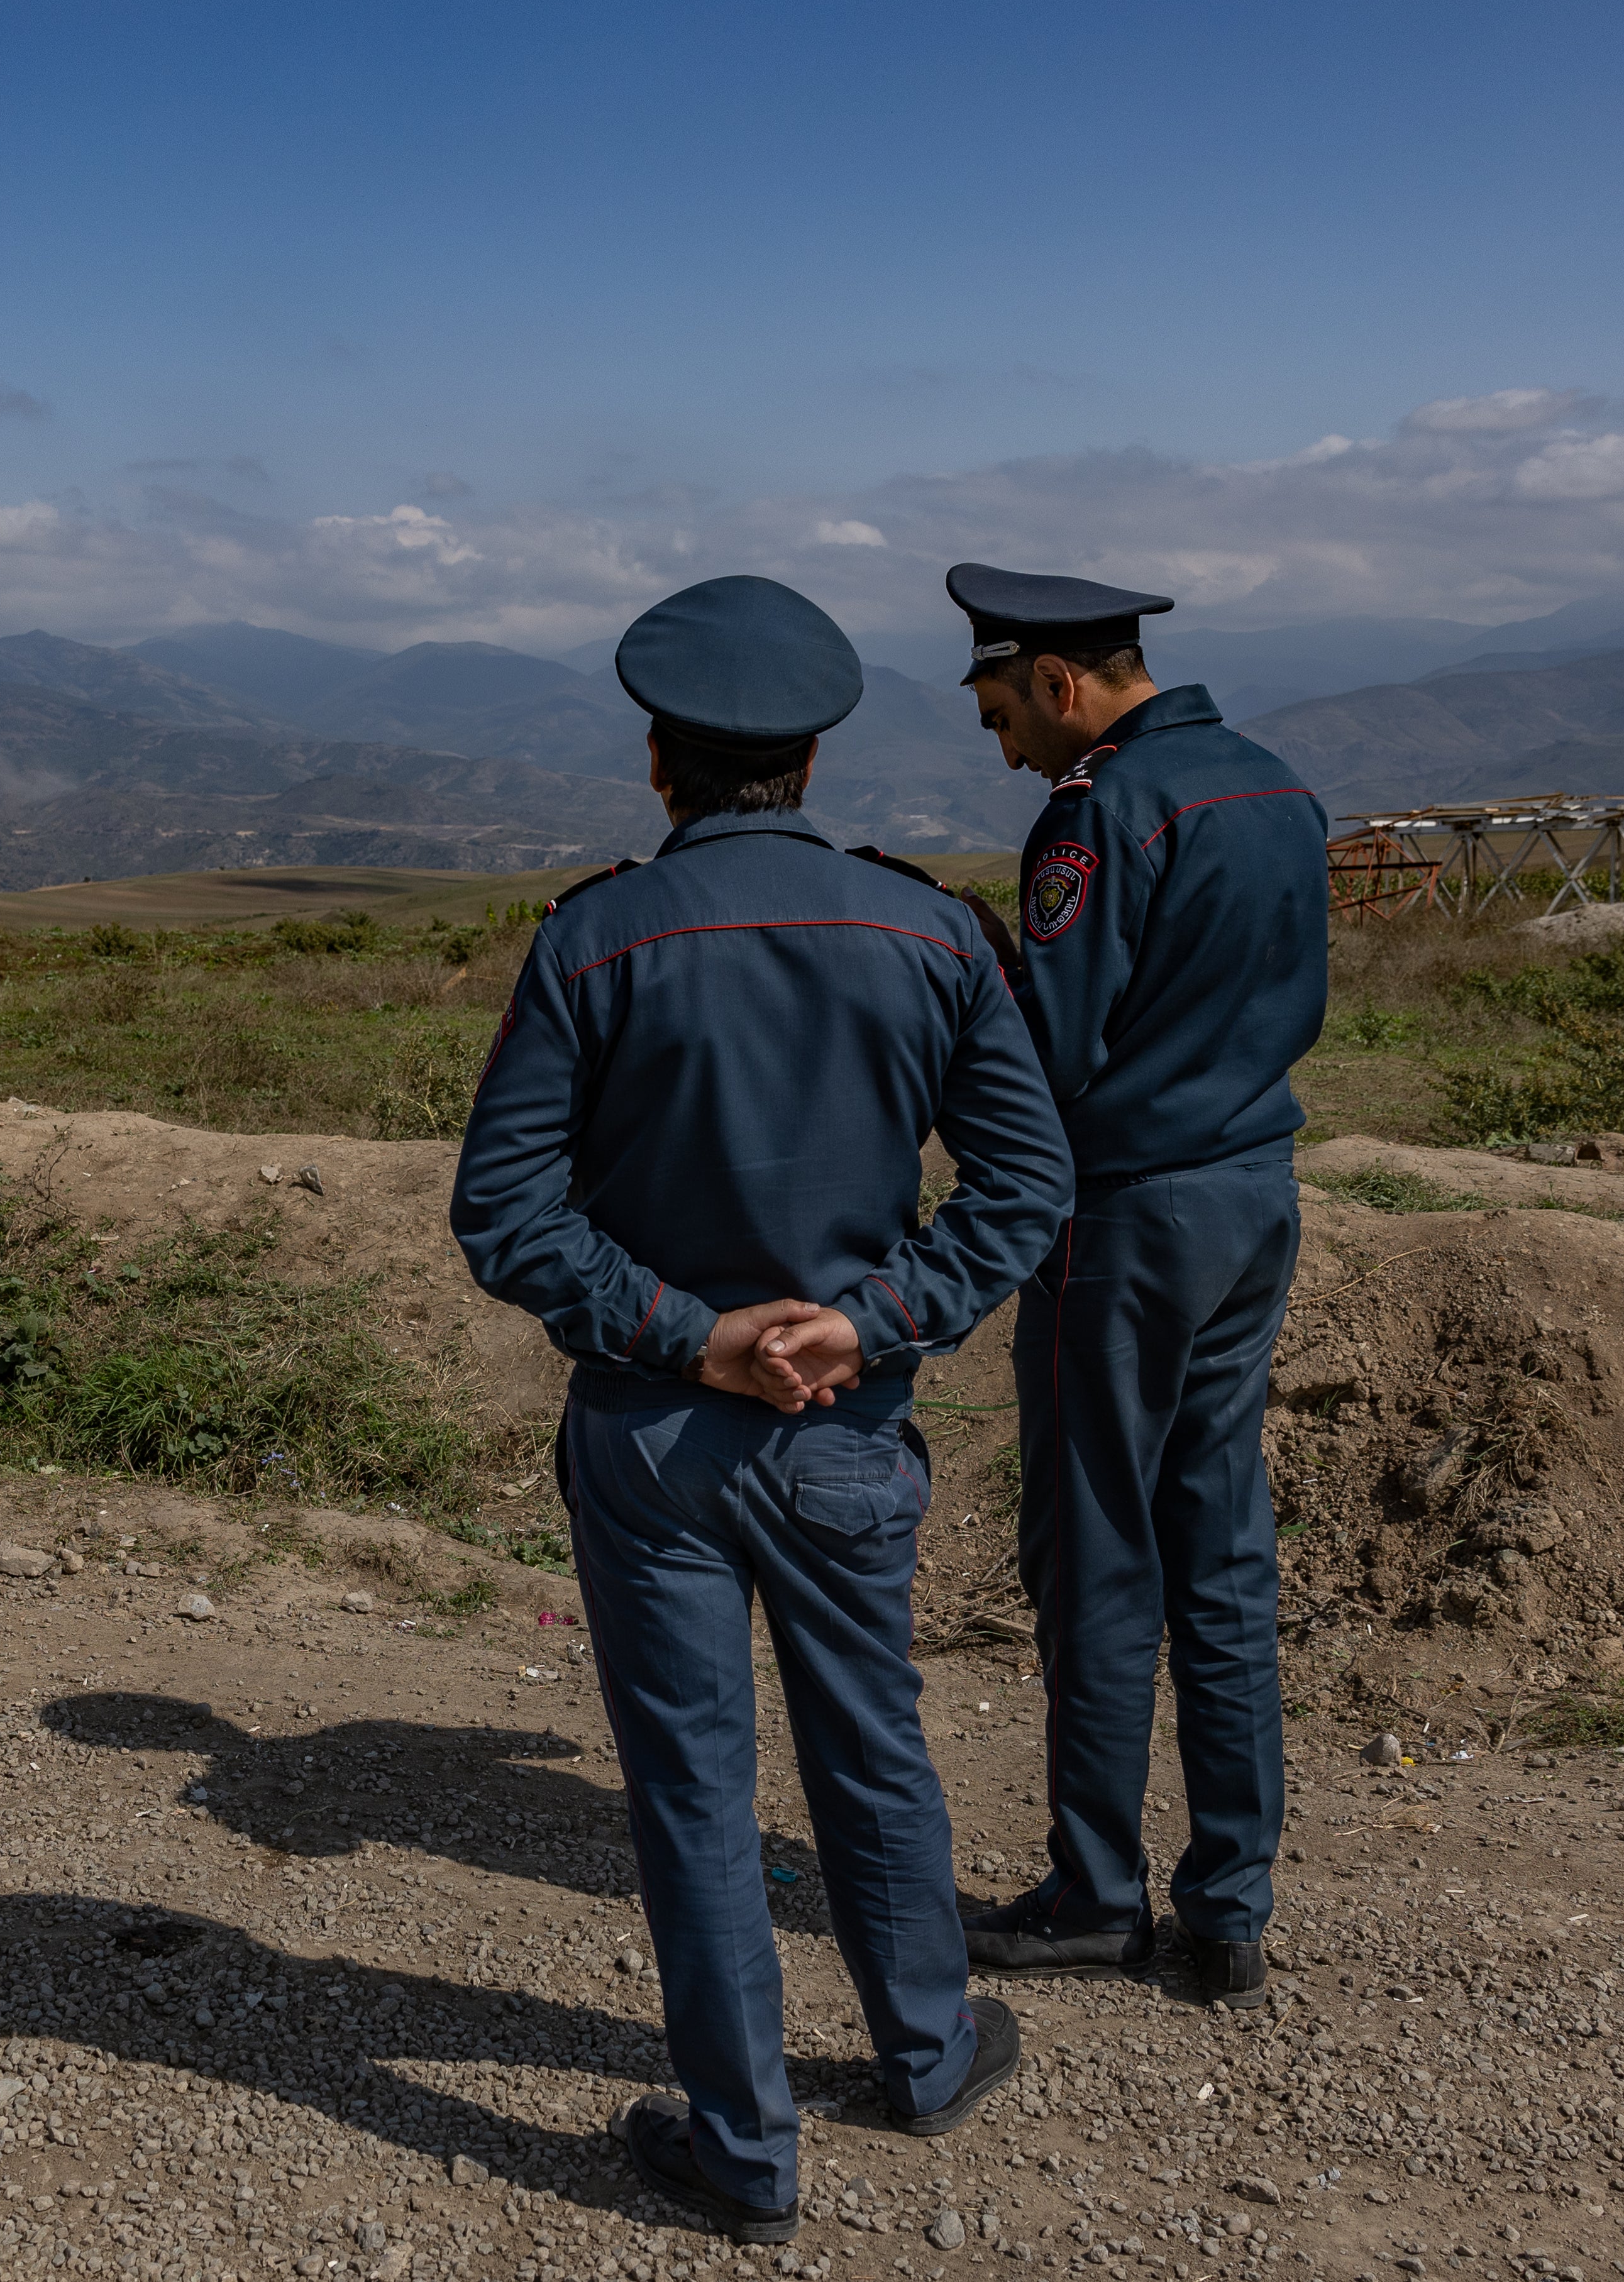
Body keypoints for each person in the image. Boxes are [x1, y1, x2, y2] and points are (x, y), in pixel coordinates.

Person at [450, 574, 1076, 2244]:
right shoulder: (932, 931)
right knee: (873, 1751)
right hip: (843, 1433)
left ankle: (744, 2149)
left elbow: (503, 1214)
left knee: (692, 1789)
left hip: (653, 1435)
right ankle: (928, 2055)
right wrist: (863, 1324)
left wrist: (688, 1335)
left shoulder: (592, 938)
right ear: (810, 761)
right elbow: (1027, 1185)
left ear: (661, 764)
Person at [934, 560, 1330, 2012]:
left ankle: (1094, 1893)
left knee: (1096, 1550)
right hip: (1251, 1197)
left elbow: (1050, 1050)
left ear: (1055, 681)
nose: (1001, 746)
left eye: (997, 714)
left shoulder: (1098, 812)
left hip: (1124, 1220)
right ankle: (1228, 1904)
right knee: (1218, 1551)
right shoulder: (1276, 787)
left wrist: (973, 966)